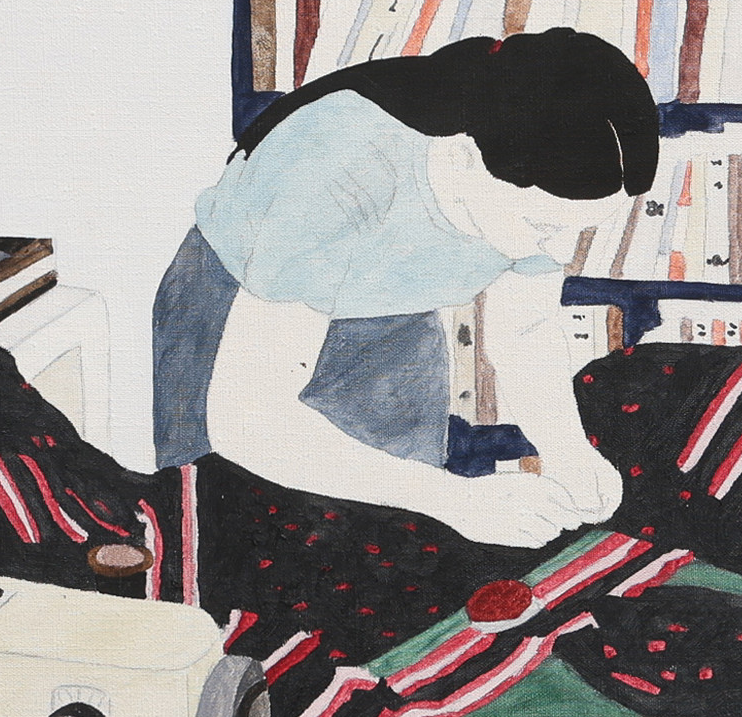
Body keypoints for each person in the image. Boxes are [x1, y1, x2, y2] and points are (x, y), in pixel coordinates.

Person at [153, 29, 658, 548]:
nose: (560, 251)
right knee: (233, 535)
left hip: (397, 330)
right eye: (545, 227)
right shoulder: (333, 165)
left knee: (400, 548)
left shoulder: (525, 179)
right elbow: (249, 419)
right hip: (235, 316)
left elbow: (524, 333)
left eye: (580, 231)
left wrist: (568, 450)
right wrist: (456, 500)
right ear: (462, 159)